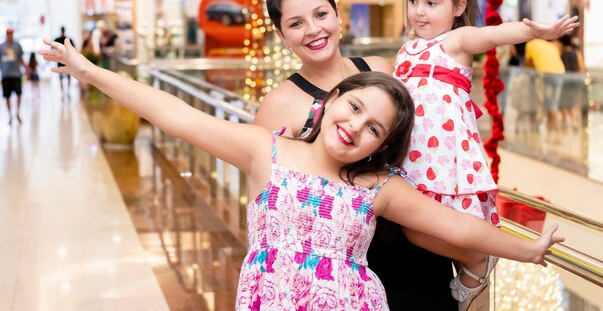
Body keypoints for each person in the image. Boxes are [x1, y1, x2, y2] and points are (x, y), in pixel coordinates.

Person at [40, 38, 565, 311]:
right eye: (354, 107)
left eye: (374, 128)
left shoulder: (377, 187)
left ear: (382, 146)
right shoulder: (266, 151)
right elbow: (176, 114)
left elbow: (458, 228)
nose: (355, 126)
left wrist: (530, 250)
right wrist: (90, 71)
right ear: (333, 97)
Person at [253, 0, 457, 310]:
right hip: (346, 258)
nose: (314, 30)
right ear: (281, 35)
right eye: (296, 23)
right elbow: (264, 201)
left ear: (337, 15)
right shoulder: (279, 104)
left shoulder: (380, 68)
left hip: (415, 232)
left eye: (320, 14)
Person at [393, 0, 578, 310]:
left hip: (445, 154)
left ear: (458, 6)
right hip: (410, 154)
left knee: (430, 227)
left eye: (432, 3)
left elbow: (490, 34)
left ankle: (477, 262)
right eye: (413, 1)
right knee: (412, 228)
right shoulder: (406, 49)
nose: (419, 12)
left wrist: (534, 32)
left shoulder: (456, 41)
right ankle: (477, 260)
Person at [524, 37, 566, 141]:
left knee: (551, 105)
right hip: (561, 74)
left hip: (547, 75)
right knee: (551, 104)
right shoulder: (550, 45)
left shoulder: (530, 44)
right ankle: (548, 133)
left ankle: (558, 135)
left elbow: (528, 65)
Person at [0, 27, 27, 124]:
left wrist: (26, 69)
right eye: (8, 34)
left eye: (11, 34)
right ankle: (10, 115)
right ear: (6, 35)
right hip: (6, 75)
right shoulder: (1, 47)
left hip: (16, 74)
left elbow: (21, 59)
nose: (10, 36)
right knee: (7, 96)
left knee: (19, 94)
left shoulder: (17, 46)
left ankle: (17, 112)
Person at [54, 26, 75, 99]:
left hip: (64, 61)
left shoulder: (61, 40)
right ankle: (64, 93)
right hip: (63, 61)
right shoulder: (67, 40)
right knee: (63, 78)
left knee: (64, 78)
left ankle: (66, 93)